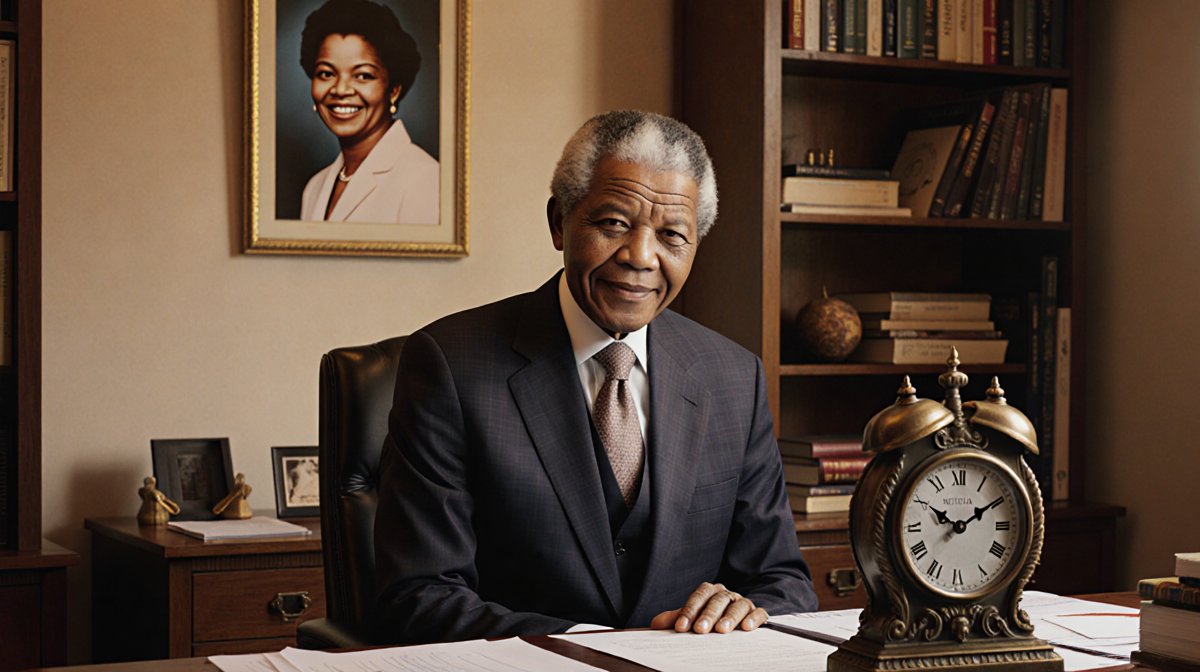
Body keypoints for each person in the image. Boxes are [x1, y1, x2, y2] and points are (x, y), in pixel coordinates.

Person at [374, 110, 818, 644]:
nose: (640, 257)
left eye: (673, 234)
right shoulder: (450, 364)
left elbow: (784, 584)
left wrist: (743, 610)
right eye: (613, 223)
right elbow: (421, 597)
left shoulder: (733, 376)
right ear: (559, 221)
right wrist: (599, 650)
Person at [297, 0, 439, 225]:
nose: (341, 90)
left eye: (362, 75)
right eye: (326, 74)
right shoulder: (315, 187)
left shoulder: (426, 180)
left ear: (393, 90)